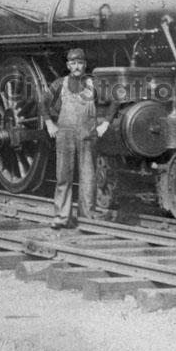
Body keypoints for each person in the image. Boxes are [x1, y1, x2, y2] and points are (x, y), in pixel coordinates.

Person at [43, 48, 115, 230]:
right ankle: (61, 217)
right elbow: (42, 103)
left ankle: (87, 216)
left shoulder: (94, 84)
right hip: (64, 135)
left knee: (88, 177)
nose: (76, 67)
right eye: (73, 63)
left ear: (85, 65)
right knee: (63, 177)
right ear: (68, 65)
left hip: (87, 135)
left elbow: (115, 100)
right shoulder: (59, 84)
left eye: (80, 63)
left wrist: (105, 124)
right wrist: (49, 124)